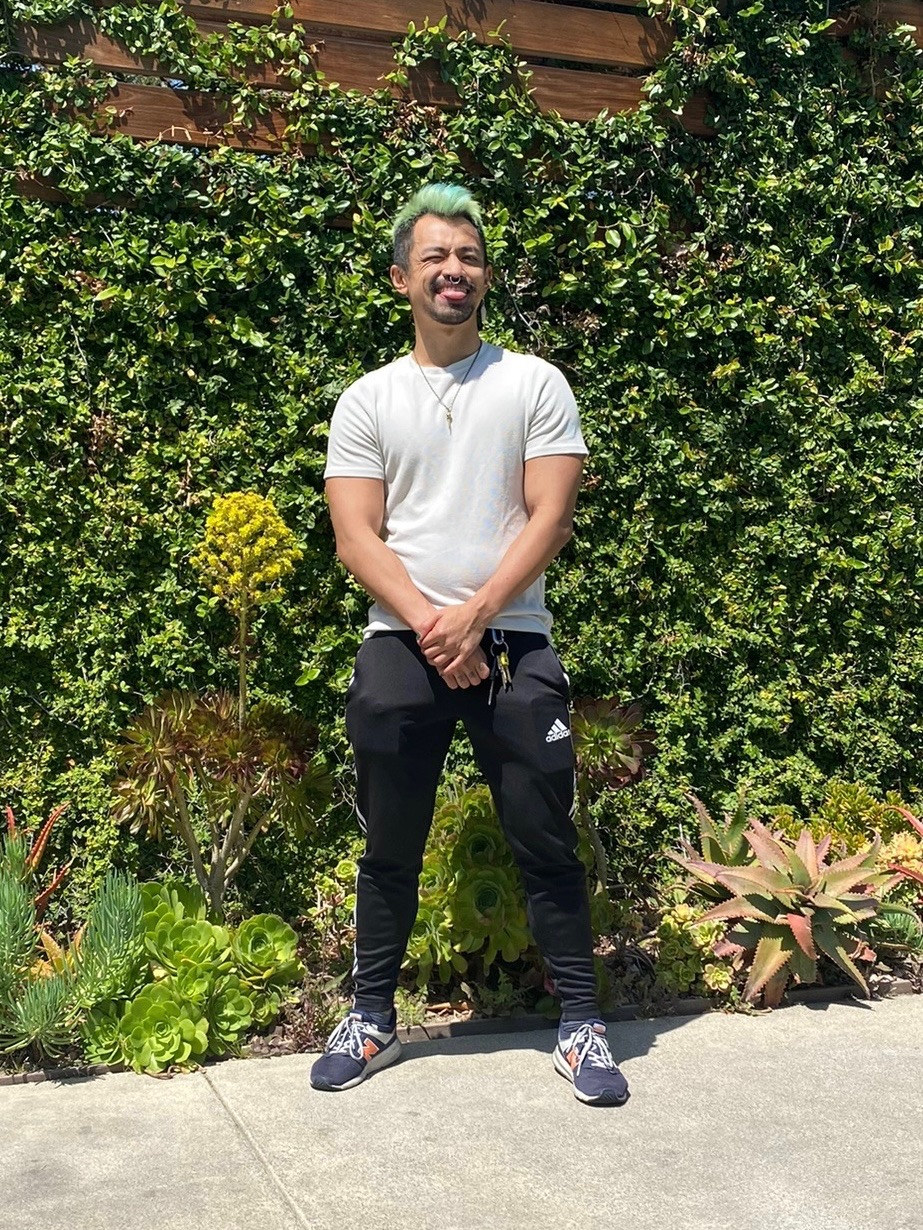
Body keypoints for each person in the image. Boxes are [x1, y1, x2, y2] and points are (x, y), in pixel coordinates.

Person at [311, 183, 629, 1106]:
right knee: (390, 845)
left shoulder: (533, 382)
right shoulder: (368, 399)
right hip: (401, 642)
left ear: (485, 276)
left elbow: (551, 516)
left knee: (545, 837)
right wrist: (433, 627)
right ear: (401, 277)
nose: (456, 272)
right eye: (437, 258)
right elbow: (355, 538)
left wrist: (478, 615)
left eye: (471, 257)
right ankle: (370, 1017)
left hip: (514, 639)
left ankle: (580, 1025)